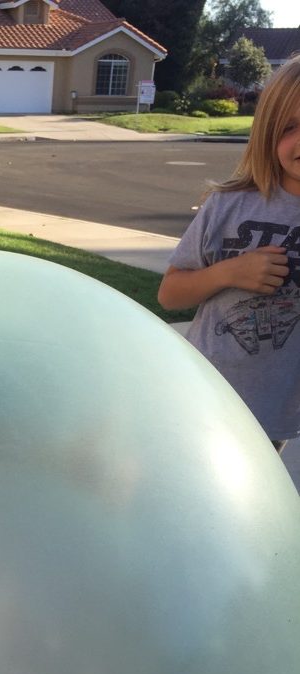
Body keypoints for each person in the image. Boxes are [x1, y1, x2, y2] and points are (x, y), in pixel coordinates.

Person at [157, 55, 300, 452]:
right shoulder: (228, 205)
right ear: (267, 132)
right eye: (289, 127)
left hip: (273, 411)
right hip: (203, 394)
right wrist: (228, 273)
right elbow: (170, 295)